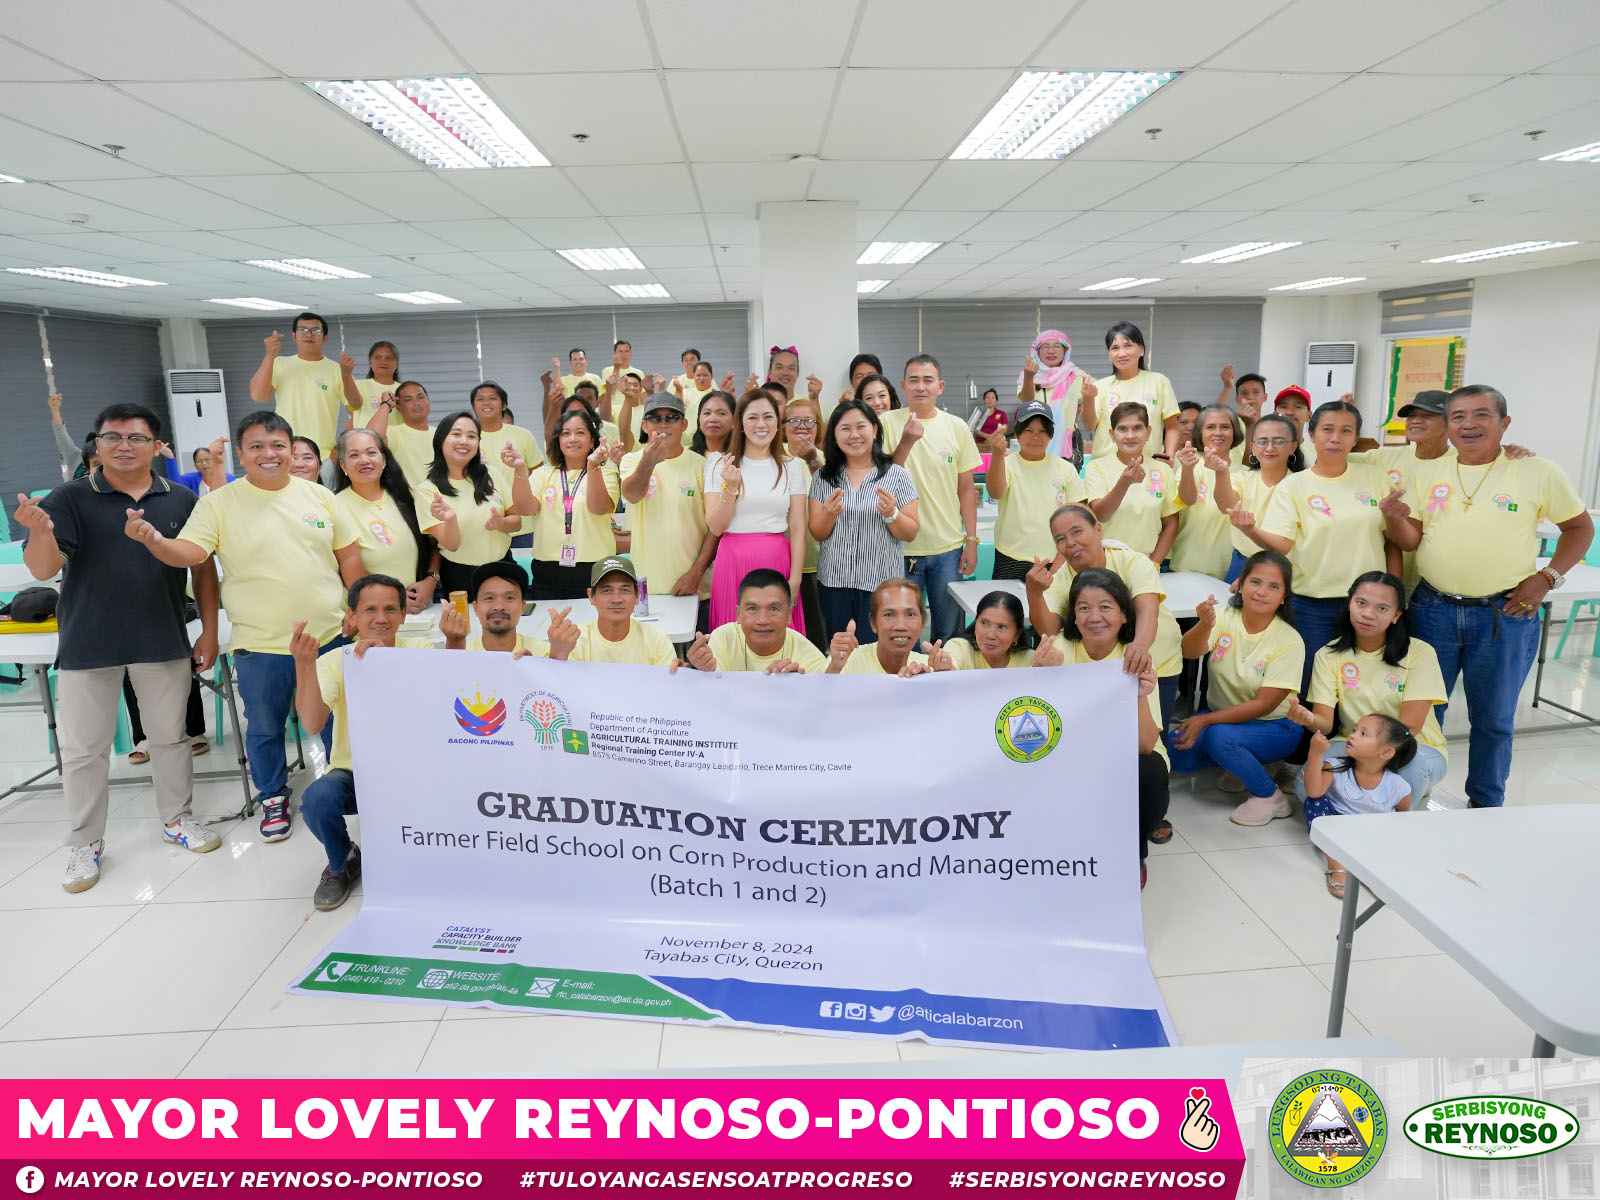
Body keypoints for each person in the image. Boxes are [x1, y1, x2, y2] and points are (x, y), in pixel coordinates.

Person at [126, 411, 362, 843]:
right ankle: (273, 796)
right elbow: (190, 553)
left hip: (329, 638)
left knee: (337, 723)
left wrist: (356, 605)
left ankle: (341, 792)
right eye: (256, 446)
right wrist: (155, 541)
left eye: (277, 445)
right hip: (261, 643)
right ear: (241, 453)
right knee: (265, 727)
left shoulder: (322, 498)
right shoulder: (218, 503)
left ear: (292, 450)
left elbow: (348, 557)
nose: (268, 454)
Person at [19, 404, 223, 892]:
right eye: (113, 437)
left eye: (136, 437)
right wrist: (39, 531)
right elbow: (44, 570)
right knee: (85, 750)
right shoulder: (70, 497)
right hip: (90, 642)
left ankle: (178, 819)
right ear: (97, 444)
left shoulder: (180, 498)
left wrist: (209, 631)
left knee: (169, 738)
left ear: (157, 445)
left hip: (162, 637)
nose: (124, 445)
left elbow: (203, 570)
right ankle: (84, 842)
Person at [1386, 385, 1593, 809]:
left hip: (1504, 613)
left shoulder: (1537, 471)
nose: (1469, 424)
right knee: (1422, 714)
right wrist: (1395, 519)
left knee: (1494, 720)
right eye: (1458, 416)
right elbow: (1411, 541)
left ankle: (1485, 806)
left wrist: (1547, 578)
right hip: (1433, 609)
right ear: (1448, 425)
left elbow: (1581, 528)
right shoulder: (1429, 472)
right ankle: (1412, 795)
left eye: (1481, 415)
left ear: (1504, 423)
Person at [293, 574, 466, 911]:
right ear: (352, 617)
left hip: (414, 775)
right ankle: (343, 861)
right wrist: (304, 664)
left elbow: (448, 697)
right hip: (354, 773)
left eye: (390, 609)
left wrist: (453, 642)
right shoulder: (334, 660)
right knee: (317, 799)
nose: (381, 618)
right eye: (369, 610)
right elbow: (313, 722)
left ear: (404, 615)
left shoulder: (419, 649)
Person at [1247, 399, 1398, 686]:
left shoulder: (1375, 477)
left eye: (1346, 431)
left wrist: (1394, 595)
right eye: (1328, 429)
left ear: (1355, 439)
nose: (1335, 438)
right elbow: (1281, 545)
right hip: (1312, 604)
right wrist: (1250, 530)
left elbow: (1391, 543)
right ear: (1311, 436)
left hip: (1369, 604)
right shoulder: (1293, 486)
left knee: (1363, 684)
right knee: (1310, 685)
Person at [1041, 567, 1167, 887]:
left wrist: (1139, 695)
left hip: (1125, 756)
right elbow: (1035, 730)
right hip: (1072, 755)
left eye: (1106, 607)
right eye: (1083, 608)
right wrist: (1039, 679)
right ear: (1073, 617)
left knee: (1149, 769)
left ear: (1125, 615)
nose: (1094, 616)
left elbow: (1145, 745)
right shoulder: (1057, 651)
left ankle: (1133, 852)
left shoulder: (1136, 657)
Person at [1286, 571, 1450, 812]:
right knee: (1305, 784)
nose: (1368, 614)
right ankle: (1353, 820)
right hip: (1352, 744)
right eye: (1361, 603)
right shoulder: (1328, 655)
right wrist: (1309, 719)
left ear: (1396, 615)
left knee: (1407, 777)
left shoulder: (1419, 653)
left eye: (1382, 609)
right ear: (1349, 604)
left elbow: (1409, 728)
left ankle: (1374, 824)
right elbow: (1326, 724)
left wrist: (1369, 762)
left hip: (1410, 747)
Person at [1169, 551, 1305, 825]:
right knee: (1175, 756)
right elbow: (1189, 651)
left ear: (1284, 596)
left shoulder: (1289, 640)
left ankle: (1270, 797)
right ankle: (1244, 763)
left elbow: (1263, 705)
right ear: (1240, 584)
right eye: (1255, 582)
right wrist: (1204, 626)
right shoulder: (1224, 617)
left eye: (1274, 586)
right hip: (1225, 717)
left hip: (1276, 727)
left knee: (1218, 736)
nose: (1262, 592)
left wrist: (1204, 719)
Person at [1026, 503, 1183, 725]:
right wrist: (1033, 593)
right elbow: (1049, 630)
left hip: (1158, 660)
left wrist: (1139, 647)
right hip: (1105, 668)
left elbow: (1146, 608)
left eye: (1077, 531)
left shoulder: (1132, 561)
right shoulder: (1061, 577)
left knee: (1150, 742)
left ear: (1098, 530)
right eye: (1060, 539)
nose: (1070, 543)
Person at [883, 355, 981, 642]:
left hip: (947, 549)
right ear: (903, 386)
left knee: (949, 634)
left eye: (928, 380)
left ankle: (946, 685)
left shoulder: (956, 427)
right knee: (901, 634)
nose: (920, 387)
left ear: (940, 386)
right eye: (913, 380)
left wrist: (971, 541)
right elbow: (880, 478)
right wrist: (906, 441)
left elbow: (966, 489)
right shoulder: (886, 423)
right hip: (898, 548)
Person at [808, 399, 920, 641]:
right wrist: (828, 513)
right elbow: (817, 532)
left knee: (878, 651)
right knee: (841, 649)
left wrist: (893, 514)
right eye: (845, 429)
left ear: (875, 430)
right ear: (834, 436)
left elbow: (911, 532)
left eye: (861, 427)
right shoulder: (823, 478)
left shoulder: (896, 475)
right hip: (834, 581)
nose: (854, 435)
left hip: (882, 584)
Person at [705, 389, 807, 632]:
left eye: (768, 417)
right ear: (740, 423)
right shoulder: (719, 464)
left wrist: (795, 579)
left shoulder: (792, 466)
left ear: (777, 422)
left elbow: (798, 527)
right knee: (733, 641)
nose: (761, 424)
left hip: (777, 560)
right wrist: (730, 488)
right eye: (752, 417)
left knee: (778, 641)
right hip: (732, 560)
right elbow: (715, 526)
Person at [619, 393, 715, 619]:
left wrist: (695, 573)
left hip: (695, 588)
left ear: (684, 425)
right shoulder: (632, 460)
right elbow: (632, 495)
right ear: (644, 425)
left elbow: (714, 528)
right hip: (646, 589)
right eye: (654, 418)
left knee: (696, 654)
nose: (663, 424)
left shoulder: (702, 466)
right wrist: (649, 461)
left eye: (671, 418)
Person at [416, 411, 531, 596]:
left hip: (502, 565)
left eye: (472, 436)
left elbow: (516, 522)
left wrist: (501, 524)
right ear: (440, 440)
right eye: (456, 434)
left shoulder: (491, 474)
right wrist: (450, 519)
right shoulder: (428, 490)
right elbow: (451, 545)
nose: (464, 441)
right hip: (460, 575)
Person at [1302, 717, 1416, 898]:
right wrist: (1315, 754)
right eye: (1355, 730)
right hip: (1335, 833)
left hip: (1371, 838)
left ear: (1386, 753)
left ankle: (1375, 871)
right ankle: (1336, 863)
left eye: (1363, 734)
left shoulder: (1398, 786)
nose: (1352, 735)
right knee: (1314, 802)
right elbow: (1314, 792)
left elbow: (1402, 820)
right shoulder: (1335, 767)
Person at [331, 428, 435, 613]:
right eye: (354, 455)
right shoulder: (334, 506)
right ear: (343, 466)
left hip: (419, 610)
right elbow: (348, 567)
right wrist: (394, 600)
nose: (365, 460)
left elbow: (434, 543)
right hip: (371, 612)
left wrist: (431, 580)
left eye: (371, 452)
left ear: (384, 460)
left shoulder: (407, 497)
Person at [521, 406, 619, 599]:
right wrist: (518, 470)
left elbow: (599, 508)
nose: (572, 439)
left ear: (592, 441)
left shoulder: (606, 472)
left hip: (595, 570)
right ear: (558, 440)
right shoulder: (543, 474)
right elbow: (525, 508)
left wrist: (593, 466)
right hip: (547, 572)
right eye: (566, 433)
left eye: (580, 433)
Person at [986, 399, 1083, 580]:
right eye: (1028, 431)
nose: (1035, 437)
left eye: (1042, 431)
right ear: (1017, 434)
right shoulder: (1006, 464)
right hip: (1009, 558)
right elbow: (995, 492)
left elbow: (1078, 520)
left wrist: (1057, 566)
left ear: (1051, 435)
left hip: (1054, 560)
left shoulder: (1066, 469)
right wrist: (997, 454)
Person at [1212, 412, 1303, 584]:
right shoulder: (1242, 478)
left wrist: (1251, 530)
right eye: (1262, 441)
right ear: (1252, 447)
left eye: (1278, 441)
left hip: (1286, 567)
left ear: (1292, 447)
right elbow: (1227, 506)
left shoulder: (1301, 485)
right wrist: (1221, 471)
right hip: (1242, 563)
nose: (1269, 448)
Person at [1084, 402, 1180, 562]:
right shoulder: (1096, 467)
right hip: (1106, 562)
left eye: (1137, 428)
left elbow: (1171, 524)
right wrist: (1124, 482)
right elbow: (1101, 514)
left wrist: (1153, 563)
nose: (1130, 435)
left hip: (1148, 562)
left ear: (1148, 432)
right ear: (1112, 434)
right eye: (1122, 429)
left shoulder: (1163, 470)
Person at [688, 569, 828, 674]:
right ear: (738, 614)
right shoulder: (723, 638)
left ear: (789, 615)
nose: (762, 620)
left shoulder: (803, 649)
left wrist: (796, 686)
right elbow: (712, 694)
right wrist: (704, 671)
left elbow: (827, 687)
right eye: (752, 608)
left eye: (773, 609)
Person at [250, 313, 341, 460]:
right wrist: (270, 355)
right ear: (294, 336)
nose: (308, 335)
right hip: (286, 453)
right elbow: (258, 395)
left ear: (325, 338)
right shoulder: (278, 363)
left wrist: (338, 450)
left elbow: (356, 410)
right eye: (302, 330)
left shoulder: (337, 369)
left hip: (323, 456)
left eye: (315, 330)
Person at [1084, 323, 1179, 462]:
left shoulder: (1159, 381)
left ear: (1141, 350)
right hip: (1106, 468)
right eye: (1115, 348)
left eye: (1128, 346)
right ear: (1109, 355)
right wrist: (1088, 399)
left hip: (1149, 466)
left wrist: (1169, 456)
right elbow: (1089, 425)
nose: (1121, 353)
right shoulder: (1100, 386)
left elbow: (1172, 427)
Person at [1171, 404, 1247, 578]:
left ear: (1235, 431)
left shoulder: (1244, 471)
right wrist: (1187, 470)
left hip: (1231, 571)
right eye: (1210, 427)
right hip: (1188, 566)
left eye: (1225, 427)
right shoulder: (1191, 462)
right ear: (1200, 433)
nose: (1218, 433)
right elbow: (1187, 499)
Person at [469, 381, 543, 544]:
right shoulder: (466, 439)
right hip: (483, 526)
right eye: (480, 399)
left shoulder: (523, 435)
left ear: (504, 405)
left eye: (492, 398)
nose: (486, 402)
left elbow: (539, 477)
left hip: (524, 528)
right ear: (474, 406)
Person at [569, 555, 677, 665]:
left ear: (637, 596)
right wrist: (558, 655)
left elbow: (668, 681)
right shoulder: (574, 642)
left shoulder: (658, 642)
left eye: (625, 590)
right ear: (591, 596)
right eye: (607, 590)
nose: (616, 599)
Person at [464, 560, 576, 659]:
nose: (499, 606)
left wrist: (544, 664)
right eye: (489, 598)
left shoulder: (545, 652)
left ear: (523, 606)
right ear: (475, 607)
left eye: (509, 598)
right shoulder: (462, 653)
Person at [826, 579, 931, 676]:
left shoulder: (928, 668)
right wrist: (835, 667)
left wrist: (938, 679)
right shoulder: (845, 660)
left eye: (910, 614)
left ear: (922, 623)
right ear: (873, 622)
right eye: (889, 615)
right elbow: (824, 694)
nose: (901, 626)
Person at [1017, 331, 1085, 461]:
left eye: (1057, 346)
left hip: (1068, 444)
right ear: (1037, 351)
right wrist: (1029, 377)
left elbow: (1094, 397)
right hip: (1036, 439)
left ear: (1065, 350)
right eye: (1045, 346)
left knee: (1066, 480)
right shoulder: (1028, 374)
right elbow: (1027, 401)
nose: (1051, 351)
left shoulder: (1076, 376)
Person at [933, 591, 1034, 670]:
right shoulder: (960, 648)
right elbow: (951, 666)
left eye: (1002, 627)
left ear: (1017, 634)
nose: (990, 635)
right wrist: (946, 668)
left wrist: (1042, 668)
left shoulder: (1031, 660)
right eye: (984, 623)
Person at [365, 379, 436, 488]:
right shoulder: (394, 433)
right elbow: (368, 439)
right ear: (398, 407)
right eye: (408, 400)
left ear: (428, 402)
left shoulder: (441, 434)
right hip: (408, 501)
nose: (416, 402)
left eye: (420, 397)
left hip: (441, 500)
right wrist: (386, 404)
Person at [341, 340, 399, 431]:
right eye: (377, 357)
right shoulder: (359, 385)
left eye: (389, 358)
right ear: (370, 363)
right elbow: (355, 405)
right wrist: (346, 374)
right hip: (364, 442)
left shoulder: (403, 390)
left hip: (393, 444)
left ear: (397, 364)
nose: (383, 361)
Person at [1271, 385, 1315, 465]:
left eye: (1298, 407)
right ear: (1274, 415)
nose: (1289, 412)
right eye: (1283, 406)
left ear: (1309, 415)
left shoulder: (1319, 454)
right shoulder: (1264, 450)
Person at [691, 389, 735, 458]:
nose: (713, 419)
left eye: (721, 413)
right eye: (707, 413)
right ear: (699, 420)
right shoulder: (688, 456)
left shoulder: (743, 458)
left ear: (734, 421)